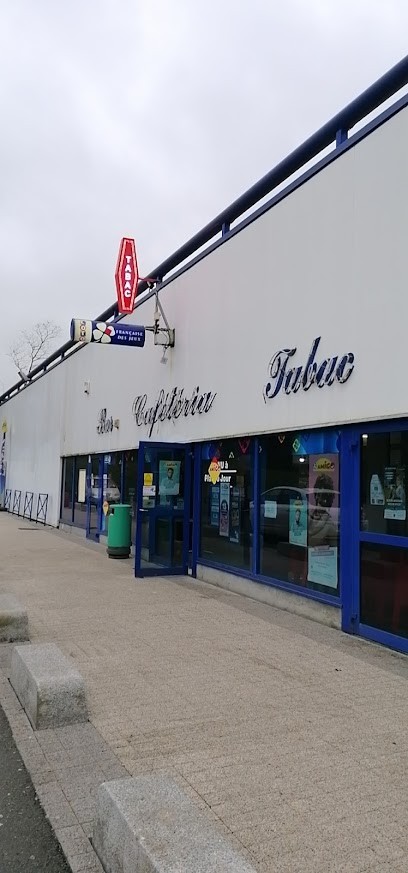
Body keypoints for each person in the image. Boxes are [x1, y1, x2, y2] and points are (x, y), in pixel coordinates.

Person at [308, 473, 337, 546]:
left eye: (323, 495)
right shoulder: (309, 517)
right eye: (317, 494)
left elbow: (333, 551)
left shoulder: (330, 527)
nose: (318, 498)